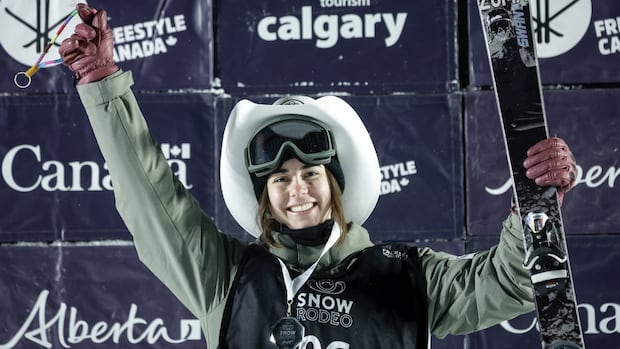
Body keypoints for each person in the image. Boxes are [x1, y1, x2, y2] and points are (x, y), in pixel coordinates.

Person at [59, 4, 578, 348]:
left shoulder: (408, 276)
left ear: (336, 182)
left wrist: (532, 216)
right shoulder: (225, 277)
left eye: (310, 172)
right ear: (265, 196)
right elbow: (154, 199)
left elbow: (508, 282)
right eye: (280, 180)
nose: (297, 190)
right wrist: (104, 87)